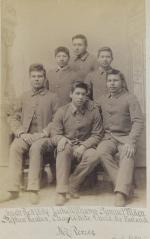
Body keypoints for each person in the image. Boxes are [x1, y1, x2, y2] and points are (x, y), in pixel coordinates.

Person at [0, 64, 58, 204]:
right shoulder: (24, 96)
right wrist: (20, 132)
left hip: (44, 137)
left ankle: (33, 189)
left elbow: (57, 120)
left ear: (44, 78)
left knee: (36, 148)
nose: (37, 79)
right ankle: (13, 189)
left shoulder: (53, 97)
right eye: (34, 77)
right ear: (29, 78)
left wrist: (44, 133)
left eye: (39, 76)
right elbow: (13, 117)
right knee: (15, 147)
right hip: (26, 135)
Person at [96, 69, 144, 207]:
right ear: (106, 83)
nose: (112, 84)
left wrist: (131, 140)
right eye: (109, 81)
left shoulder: (130, 98)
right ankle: (125, 186)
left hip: (125, 137)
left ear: (122, 82)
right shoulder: (102, 99)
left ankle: (121, 193)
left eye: (115, 80)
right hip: (109, 138)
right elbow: (90, 110)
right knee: (101, 151)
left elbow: (138, 121)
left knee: (127, 154)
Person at [52, 81, 104, 206]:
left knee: (95, 156)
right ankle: (61, 192)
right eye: (77, 94)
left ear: (87, 96)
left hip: (85, 146)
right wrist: (61, 139)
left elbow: (98, 134)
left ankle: (73, 184)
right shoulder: (61, 111)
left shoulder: (93, 111)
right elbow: (54, 134)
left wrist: (84, 146)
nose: (80, 97)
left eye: (83, 94)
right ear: (71, 94)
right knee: (63, 150)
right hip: (68, 144)